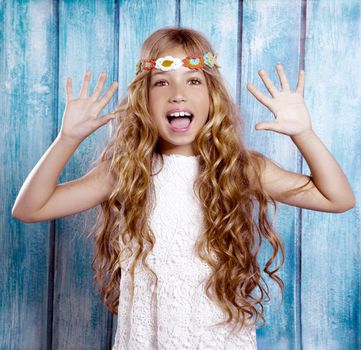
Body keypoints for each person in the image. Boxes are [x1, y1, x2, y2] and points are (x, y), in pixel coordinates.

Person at [12, 27, 355, 349]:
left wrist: (303, 134)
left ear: (212, 98)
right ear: (144, 100)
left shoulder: (241, 169)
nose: (178, 94)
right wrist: (67, 139)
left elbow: (337, 198)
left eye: (193, 81)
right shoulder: (127, 172)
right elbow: (30, 209)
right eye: (162, 83)